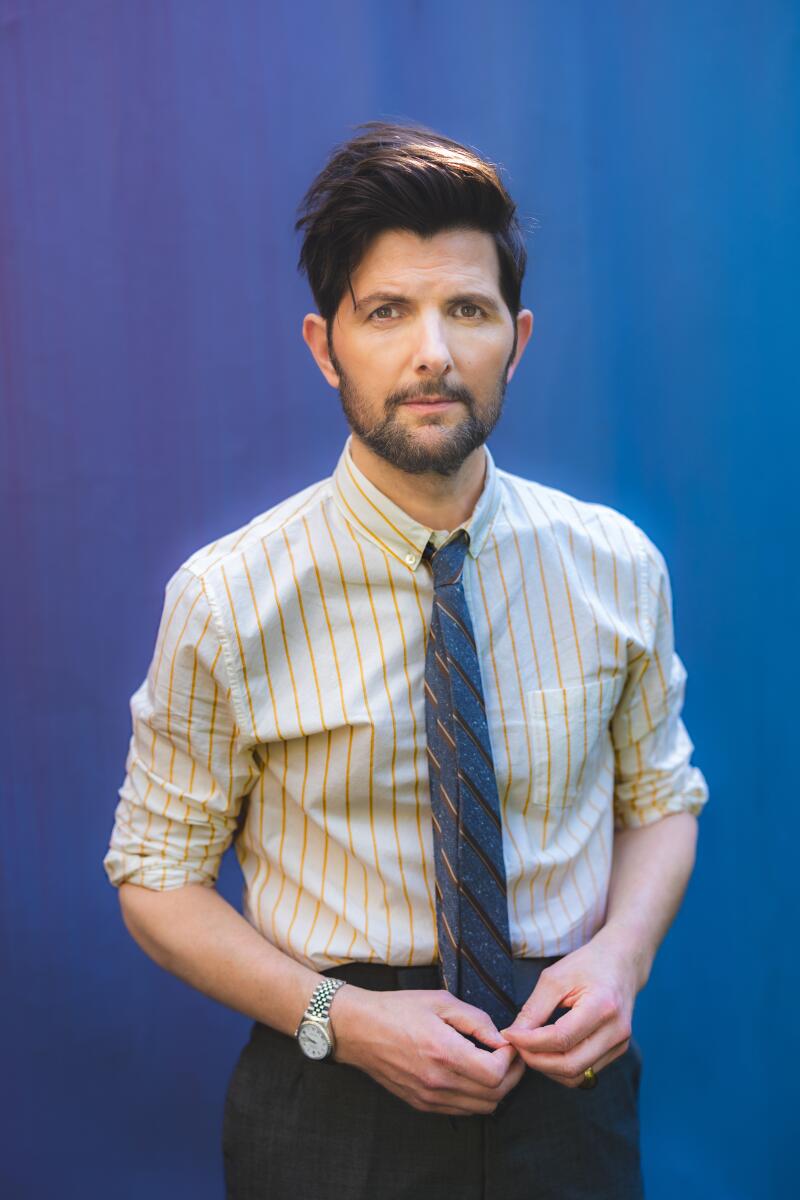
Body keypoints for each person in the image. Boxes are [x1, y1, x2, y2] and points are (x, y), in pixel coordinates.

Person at [103, 120, 709, 1199]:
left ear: (514, 340)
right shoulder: (228, 597)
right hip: (332, 1098)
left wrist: (620, 959)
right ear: (323, 343)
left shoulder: (614, 566)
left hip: (567, 1088)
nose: (430, 350)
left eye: (465, 310)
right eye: (386, 311)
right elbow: (156, 878)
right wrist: (346, 1020)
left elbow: (658, 798)